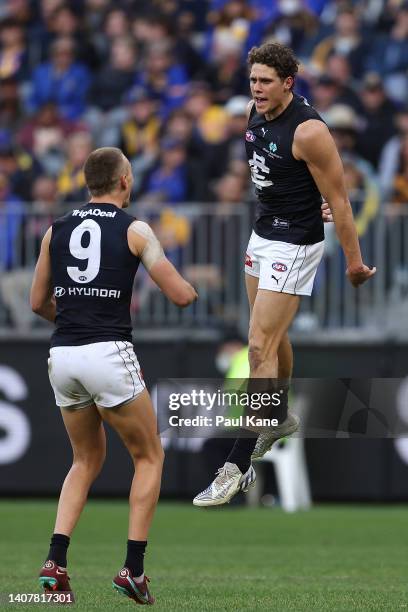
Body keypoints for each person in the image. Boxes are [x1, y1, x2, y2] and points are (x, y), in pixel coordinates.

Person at [193, 42, 375, 507]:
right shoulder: (256, 116)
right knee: (272, 335)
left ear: (288, 83)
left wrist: (354, 262)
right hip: (263, 233)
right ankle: (277, 416)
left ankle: (237, 463)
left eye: (265, 81)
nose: (256, 88)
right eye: (253, 80)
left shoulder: (310, 130)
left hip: (295, 241)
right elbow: (282, 180)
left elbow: (340, 198)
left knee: (259, 345)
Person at [30, 147, 197, 603]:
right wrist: (194, 287)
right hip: (108, 352)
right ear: (125, 181)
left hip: (62, 354)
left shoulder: (56, 229)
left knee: (84, 460)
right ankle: (134, 570)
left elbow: (36, 302)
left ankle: (55, 561)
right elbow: (180, 296)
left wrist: (75, 319)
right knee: (148, 457)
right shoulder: (135, 228)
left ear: (87, 182)